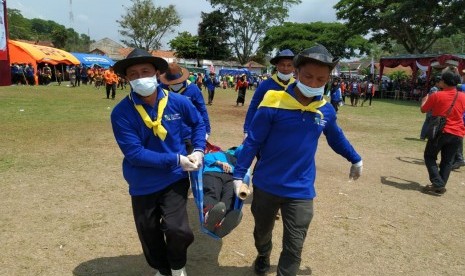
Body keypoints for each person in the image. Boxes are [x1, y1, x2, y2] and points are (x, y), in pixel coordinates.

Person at [232, 44, 363, 276]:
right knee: (262, 232)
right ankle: (263, 254)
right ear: (297, 73)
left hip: (301, 189)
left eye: (321, 79)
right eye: (308, 76)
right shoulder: (273, 102)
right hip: (266, 184)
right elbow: (252, 141)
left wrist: (355, 159)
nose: (313, 83)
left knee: (294, 245)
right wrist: (239, 174)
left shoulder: (325, 110)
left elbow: (336, 137)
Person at [110, 48, 206, 276]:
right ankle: (162, 270)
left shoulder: (179, 102)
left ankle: (177, 266)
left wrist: (199, 149)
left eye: (145, 71)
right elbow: (135, 154)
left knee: (178, 230)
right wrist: (176, 158)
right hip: (142, 181)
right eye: (133, 74)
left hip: (174, 178)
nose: (140, 77)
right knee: (149, 233)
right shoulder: (121, 113)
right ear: (126, 79)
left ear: (156, 73)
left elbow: (198, 123)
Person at [420, 67, 465, 196]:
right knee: (448, 161)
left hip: (441, 131)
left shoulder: (437, 95)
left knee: (429, 156)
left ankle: (438, 183)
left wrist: (423, 101)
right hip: (458, 133)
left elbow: (424, 110)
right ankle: (439, 185)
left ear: (444, 83)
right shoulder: (463, 96)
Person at [159, 63, 212, 151]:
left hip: (188, 134)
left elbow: (202, 110)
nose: (175, 84)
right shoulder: (161, 88)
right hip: (167, 134)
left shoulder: (193, 89)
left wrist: (207, 130)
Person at [243, 49, 295, 137]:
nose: (285, 68)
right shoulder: (265, 85)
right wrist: (247, 130)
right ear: (277, 66)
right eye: (282, 65)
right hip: (267, 129)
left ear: (294, 67)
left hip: (289, 131)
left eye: (289, 65)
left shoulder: (296, 86)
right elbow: (254, 106)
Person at [202, 145, 244, 238]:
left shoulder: (240, 161)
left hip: (231, 177)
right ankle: (209, 214)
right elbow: (205, 159)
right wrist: (219, 162)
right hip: (213, 172)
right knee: (213, 192)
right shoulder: (217, 153)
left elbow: (243, 150)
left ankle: (222, 223)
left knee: (229, 197)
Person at [420, 76, 441, 140]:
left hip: (431, 108)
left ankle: (423, 136)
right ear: (437, 83)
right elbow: (434, 99)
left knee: (428, 122)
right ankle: (425, 136)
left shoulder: (436, 89)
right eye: (440, 82)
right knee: (430, 122)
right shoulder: (434, 89)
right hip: (431, 109)